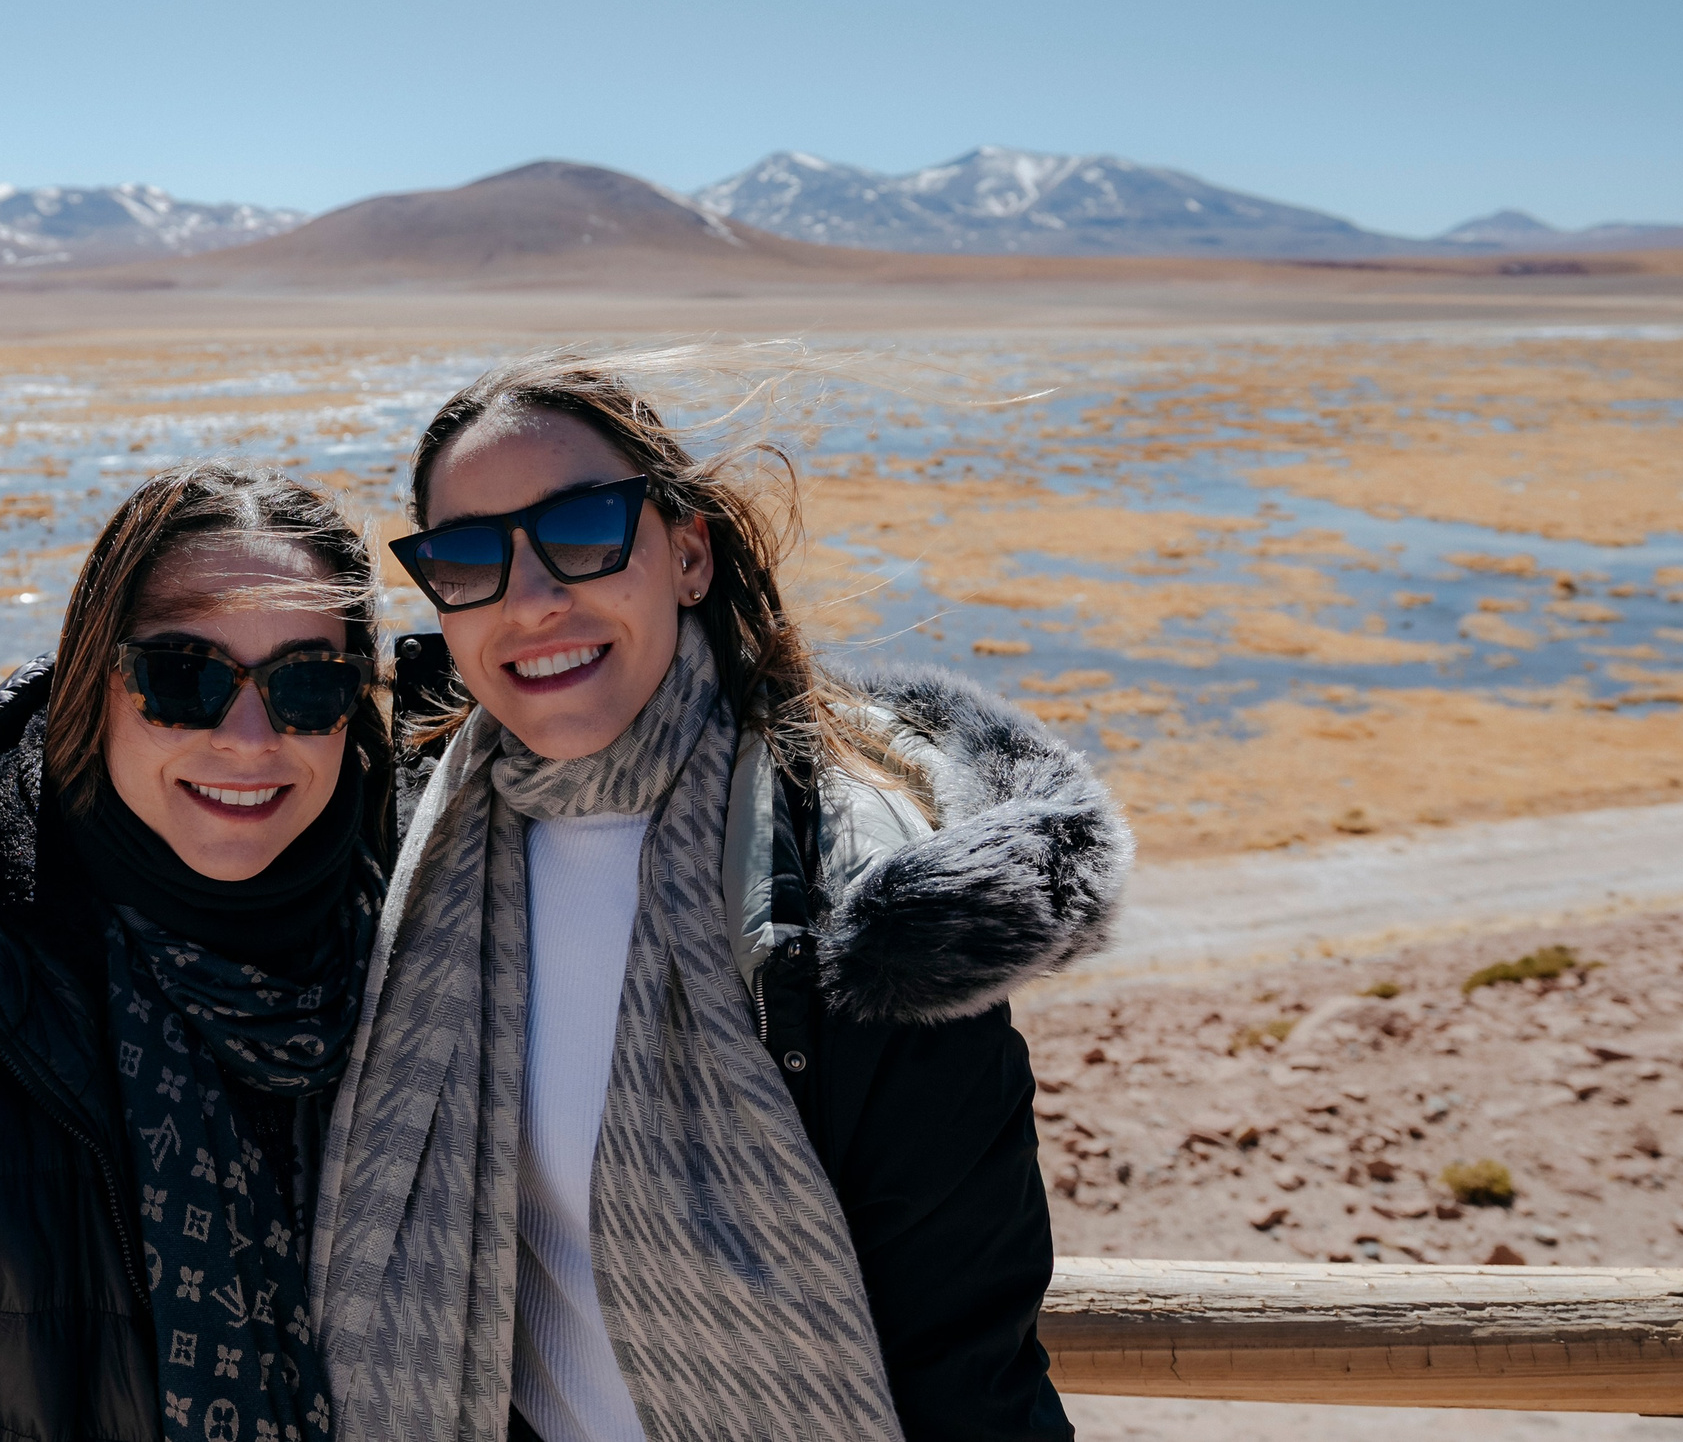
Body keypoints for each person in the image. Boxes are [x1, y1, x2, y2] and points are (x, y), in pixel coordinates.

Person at [311, 354, 1129, 1442]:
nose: (534, 602)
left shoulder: (850, 895)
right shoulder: (408, 848)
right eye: (467, 559)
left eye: (585, 531)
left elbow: (964, 1365)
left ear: (686, 553)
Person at [0, 463, 395, 1442]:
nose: (248, 736)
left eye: (308, 684)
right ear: (95, 680)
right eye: (186, 677)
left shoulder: (447, 968)